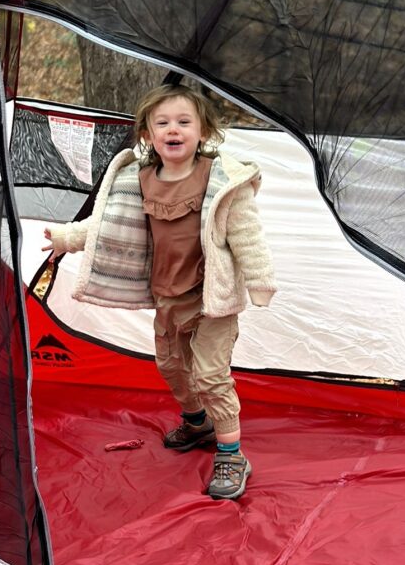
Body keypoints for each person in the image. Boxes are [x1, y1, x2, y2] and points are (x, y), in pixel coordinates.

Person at [42, 83, 276, 500]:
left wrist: (259, 280)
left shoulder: (222, 180)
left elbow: (246, 235)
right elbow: (107, 225)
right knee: (171, 367)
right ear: (148, 135)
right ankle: (197, 421)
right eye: (162, 123)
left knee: (210, 374)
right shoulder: (139, 178)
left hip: (212, 300)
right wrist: (66, 237)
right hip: (168, 296)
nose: (174, 129)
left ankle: (231, 452)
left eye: (184, 122)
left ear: (203, 131)